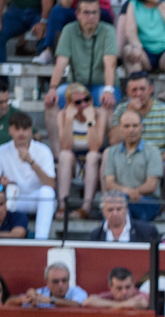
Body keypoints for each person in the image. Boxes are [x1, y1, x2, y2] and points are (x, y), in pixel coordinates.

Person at [43, 0, 118, 157]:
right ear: (77, 14)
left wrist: (108, 90)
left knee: (108, 102)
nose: (91, 16)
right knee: (51, 103)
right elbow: (61, 62)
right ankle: (58, 155)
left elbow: (109, 63)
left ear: (99, 14)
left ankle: (110, 154)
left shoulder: (108, 30)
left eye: (94, 12)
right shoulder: (69, 30)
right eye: (86, 12)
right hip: (76, 86)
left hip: (102, 85)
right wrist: (52, 88)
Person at [109, 71, 165, 204]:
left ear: (151, 89)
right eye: (134, 90)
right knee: (105, 159)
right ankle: (108, 206)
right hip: (126, 157)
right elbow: (113, 141)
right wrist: (130, 112)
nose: (139, 94)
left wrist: (153, 161)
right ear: (128, 91)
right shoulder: (121, 110)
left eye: (142, 89)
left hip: (158, 158)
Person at [0, 112, 57, 239]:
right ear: (10, 131)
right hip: (11, 200)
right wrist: (0, 182)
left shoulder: (43, 150)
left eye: (25, 129)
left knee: (47, 193)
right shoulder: (2, 151)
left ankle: (41, 239)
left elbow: (51, 184)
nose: (21, 133)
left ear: (31, 131)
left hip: (35, 199)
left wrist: (32, 162)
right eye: (17, 129)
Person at [121, 0, 165, 103]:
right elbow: (130, 31)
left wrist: (160, 2)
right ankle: (138, 92)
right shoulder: (133, 3)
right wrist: (137, 45)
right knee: (129, 50)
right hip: (145, 51)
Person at [55, 83, 104, 219]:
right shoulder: (63, 115)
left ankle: (85, 208)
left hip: (93, 162)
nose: (83, 104)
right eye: (78, 102)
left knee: (92, 156)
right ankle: (62, 206)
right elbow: (65, 145)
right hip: (74, 162)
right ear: (69, 103)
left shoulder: (99, 114)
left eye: (86, 99)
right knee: (64, 155)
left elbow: (95, 146)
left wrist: (90, 120)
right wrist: (69, 119)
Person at [103, 109, 162, 220]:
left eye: (135, 126)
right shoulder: (111, 152)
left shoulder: (153, 151)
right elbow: (109, 184)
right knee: (116, 206)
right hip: (120, 199)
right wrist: (127, 193)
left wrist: (132, 193)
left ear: (142, 127)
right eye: (127, 126)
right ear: (120, 128)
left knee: (118, 207)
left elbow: (151, 185)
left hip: (146, 200)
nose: (131, 130)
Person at [8, 262, 86, 308]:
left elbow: (78, 304)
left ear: (69, 280)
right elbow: (8, 302)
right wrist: (24, 299)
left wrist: (50, 300)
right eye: (55, 281)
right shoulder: (41, 293)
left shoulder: (77, 291)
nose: (61, 284)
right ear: (47, 282)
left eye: (64, 280)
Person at [89, 190, 159, 240]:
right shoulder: (96, 236)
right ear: (103, 211)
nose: (115, 213)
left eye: (119, 209)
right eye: (110, 210)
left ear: (126, 209)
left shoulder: (146, 232)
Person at [83, 265, 149, 309]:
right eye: (119, 288)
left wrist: (108, 304)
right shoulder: (109, 296)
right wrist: (122, 304)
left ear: (133, 284)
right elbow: (87, 302)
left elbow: (142, 303)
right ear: (110, 287)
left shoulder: (141, 295)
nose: (124, 292)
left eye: (128, 287)